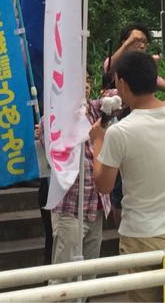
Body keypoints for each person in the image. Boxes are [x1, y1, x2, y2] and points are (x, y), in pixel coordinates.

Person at [90, 50, 165, 302]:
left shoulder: (120, 132)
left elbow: (104, 185)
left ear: (122, 83)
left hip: (141, 237)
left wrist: (97, 141)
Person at [49, 81, 111, 280]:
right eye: (78, 79)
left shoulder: (94, 109)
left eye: (87, 80)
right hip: (71, 208)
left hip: (96, 207)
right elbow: (46, 134)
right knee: (63, 278)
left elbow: (117, 98)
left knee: (89, 276)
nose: (84, 84)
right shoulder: (57, 115)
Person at [102, 24, 165, 93]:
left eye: (145, 42)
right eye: (137, 41)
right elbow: (109, 67)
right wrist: (129, 41)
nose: (142, 46)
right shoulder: (115, 62)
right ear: (124, 42)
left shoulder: (145, 68)